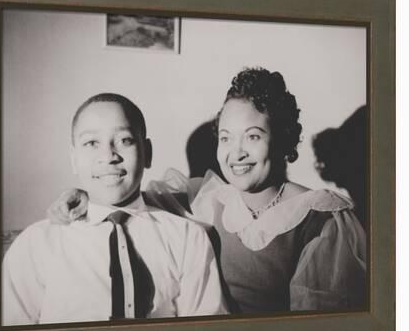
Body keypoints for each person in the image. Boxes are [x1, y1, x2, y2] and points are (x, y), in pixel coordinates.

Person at [49, 69, 367, 313]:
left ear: (283, 139)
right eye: (226, 138)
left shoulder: (320, 217)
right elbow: (126, 198)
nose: (236, 153)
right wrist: (84, 194)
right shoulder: (207, 198)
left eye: (253, 136)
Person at [2, 93, 227, 326]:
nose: (109, 156)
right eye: (91, 143)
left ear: (147, 153)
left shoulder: (188, 238)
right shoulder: (36, 244)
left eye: (125, 140)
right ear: (74, 159)